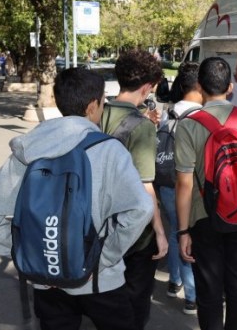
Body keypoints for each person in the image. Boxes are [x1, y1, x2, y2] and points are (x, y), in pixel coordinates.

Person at [0, 67, 154, 330]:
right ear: (92, 106)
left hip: (46, 281)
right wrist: (101, 258)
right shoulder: (109, 150)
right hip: (100, 281)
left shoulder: (29, 149)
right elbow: (142, 208)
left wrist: (34, 251)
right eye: (103, 101)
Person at [175, 57, 237, 330]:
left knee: (209, 287)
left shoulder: (188, 125)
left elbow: (184, 183)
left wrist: (183, 231)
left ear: (200, 87)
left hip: (203, 216)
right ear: (230, 87)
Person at [100, 49, 168, 330]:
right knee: (135, 300)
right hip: (133, 231)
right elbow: (145, 186)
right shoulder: (142, 127)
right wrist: (160, 232)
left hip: (97, 222)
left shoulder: (95, 112)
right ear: (147, 86)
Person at [158, 62, 201, 315]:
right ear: (199, 85)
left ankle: (174, 282)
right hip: (190, 187)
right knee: (188, 235)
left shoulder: (170, 112)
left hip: (166, 183)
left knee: (175, 232)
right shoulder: (201, 115)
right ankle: (192, 296)